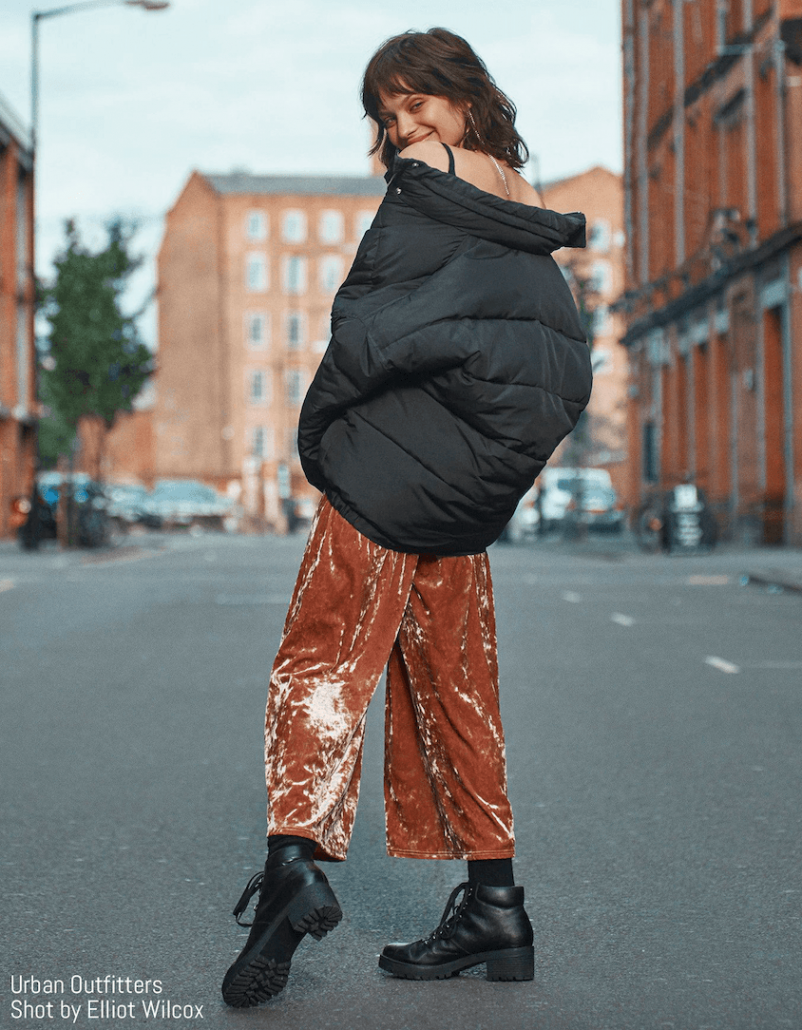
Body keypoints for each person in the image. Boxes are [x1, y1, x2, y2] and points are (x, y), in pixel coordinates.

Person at [221, 26, 592, 1008]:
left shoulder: (430, 169)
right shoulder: (517, 193)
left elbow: (371, 320)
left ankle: (293, 858)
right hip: (461, 494)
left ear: (459, 93)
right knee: (459, 691)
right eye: (386, 115)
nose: (401, 128)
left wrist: (322, 437)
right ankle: (494, 905)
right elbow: (538, 354)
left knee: (320, 662)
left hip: (387, 479)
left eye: (413, 101)